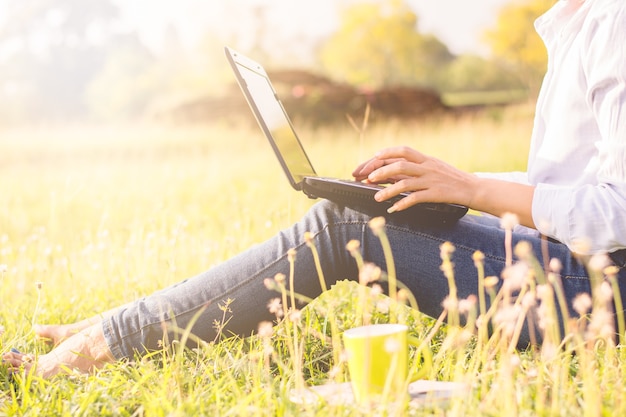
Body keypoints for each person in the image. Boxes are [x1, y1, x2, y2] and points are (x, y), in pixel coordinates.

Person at [4, 0, 626, 378]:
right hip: (573, 266)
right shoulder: (572, 25)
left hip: (600, 294)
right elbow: (571, 183)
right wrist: (452, 185)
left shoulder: (614, 22)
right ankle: (116, 328)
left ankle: (103, 343)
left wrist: (474, 188)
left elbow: (619, 211)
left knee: (343, 227)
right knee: (359, 215)